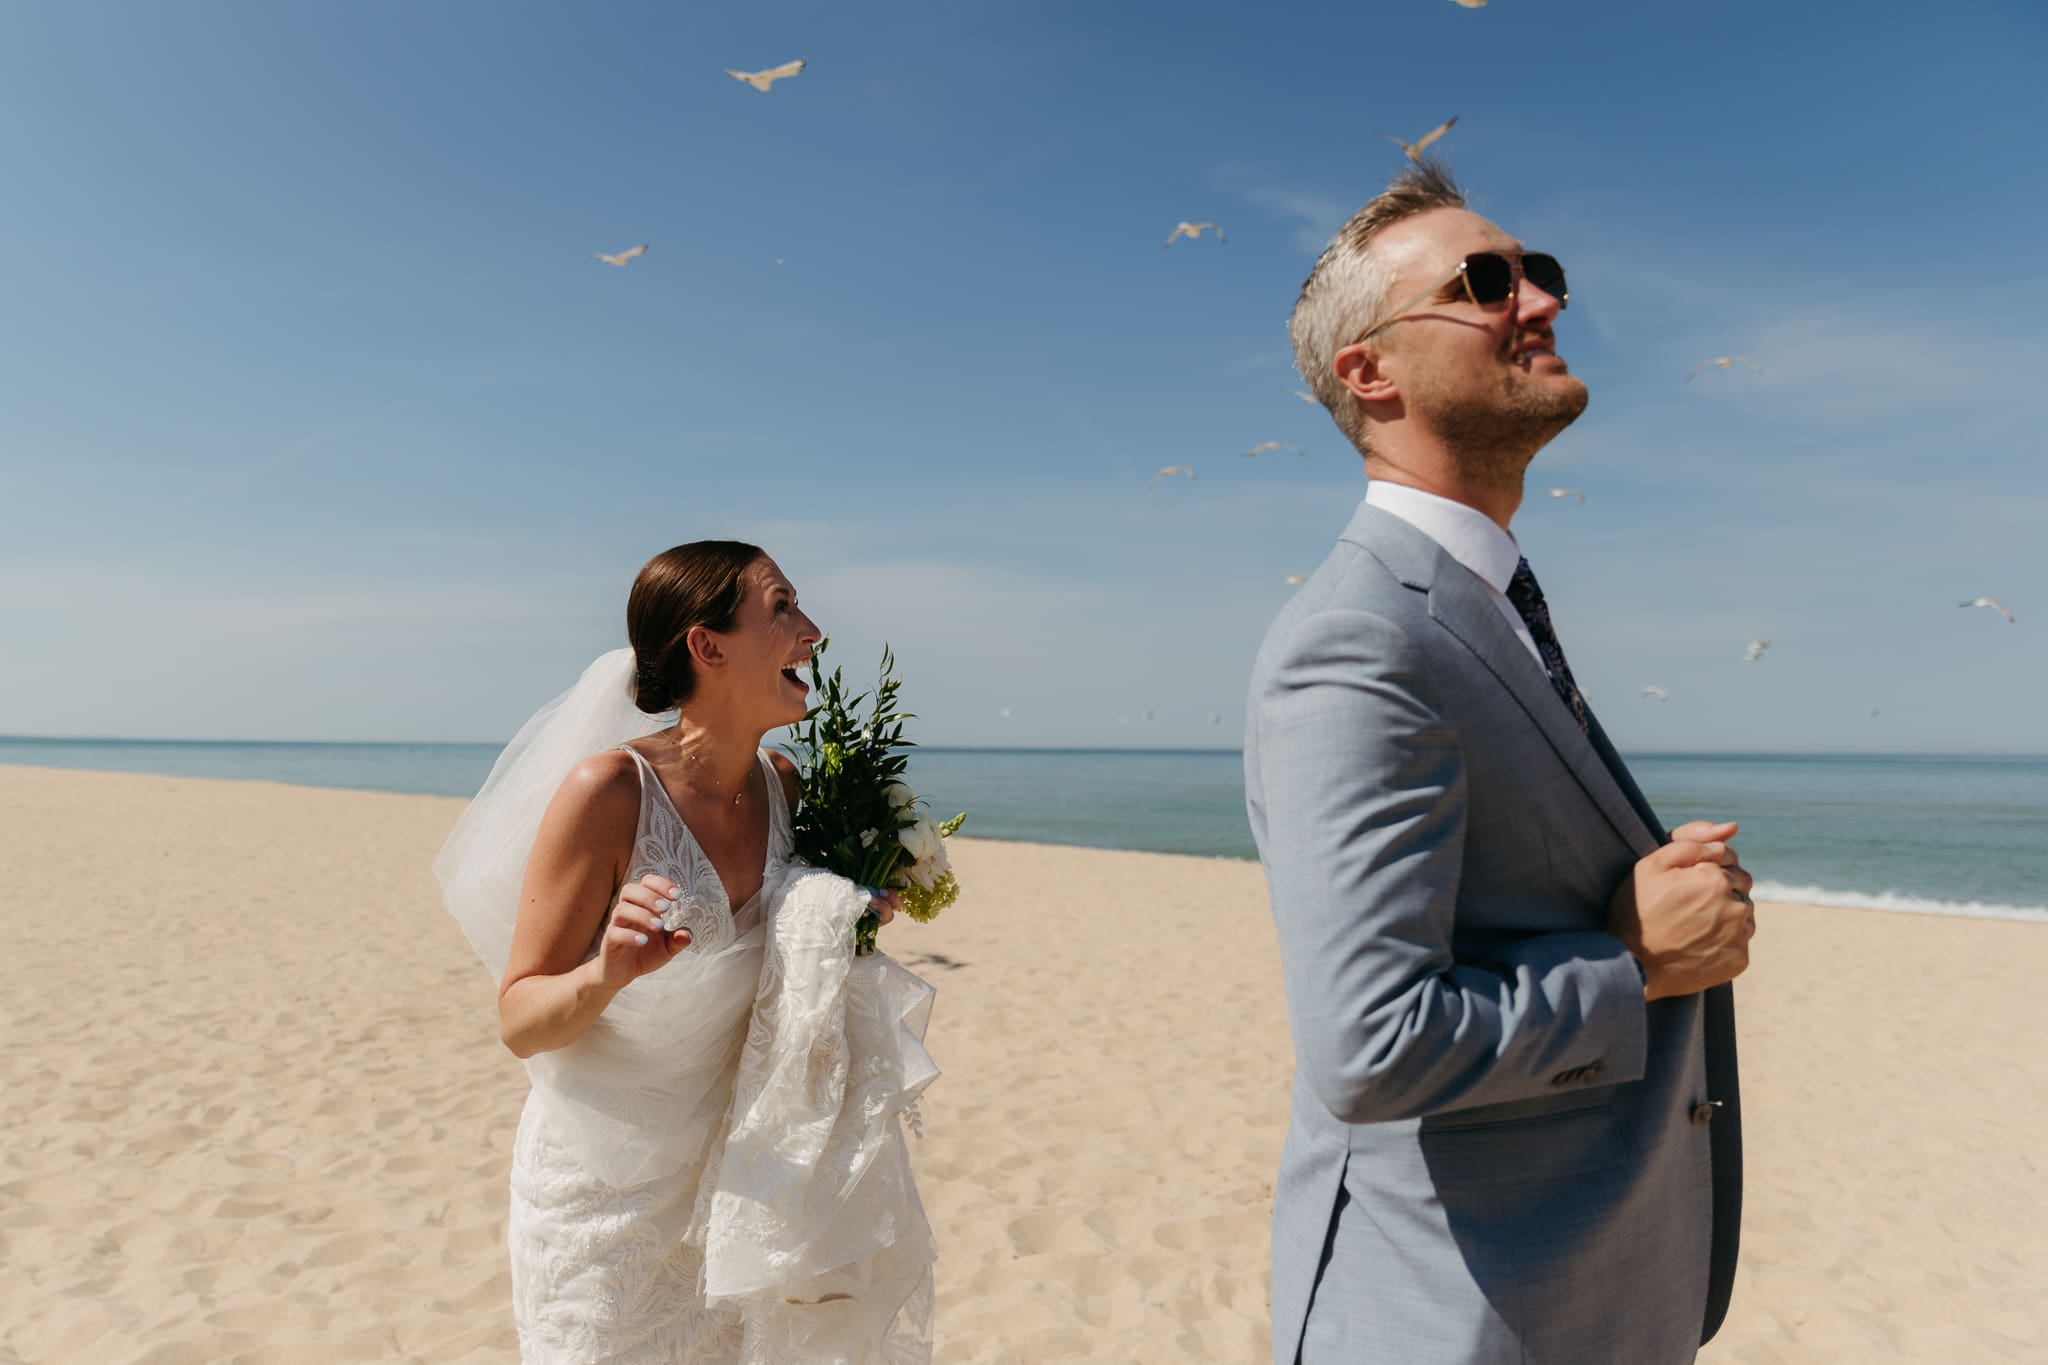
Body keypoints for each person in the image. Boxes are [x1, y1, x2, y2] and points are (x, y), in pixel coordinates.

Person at [1244, 163, 1754, 1364]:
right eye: (1483, 283)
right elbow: (1370, 1044)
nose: (1536, 302)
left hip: (1583, 1294)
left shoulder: (1483, 605)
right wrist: (1635, 960)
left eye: (1540, 273)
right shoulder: (1354, 638)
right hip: (1448, 1315)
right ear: (1366, 373)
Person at [436, 541, 932, 1364]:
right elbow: (520, 1019)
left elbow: (795, 940)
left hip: (737, 1191)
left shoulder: (785, 784)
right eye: (782, 608)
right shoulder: (609, 792)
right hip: (606, 1200)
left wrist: (851, 911)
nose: (811, 630)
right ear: (708, 646)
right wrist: (605, 973)